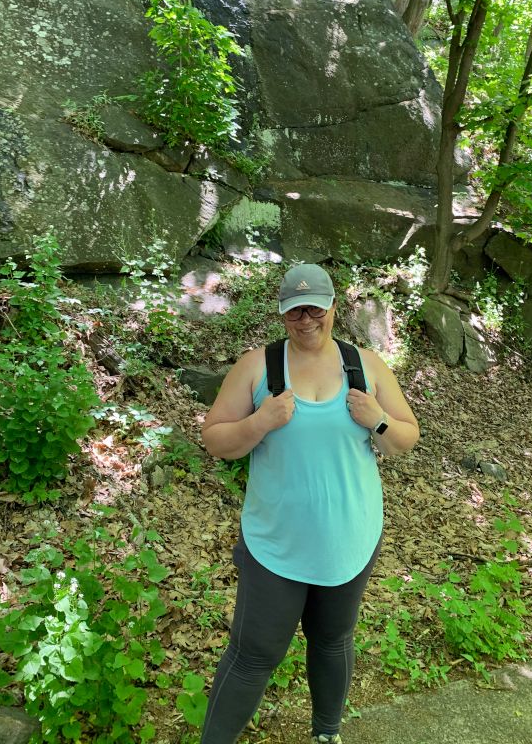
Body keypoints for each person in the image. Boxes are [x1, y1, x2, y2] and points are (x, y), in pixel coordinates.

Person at [200, 263, 419, 744]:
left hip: (350, 541)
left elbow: (405, 437)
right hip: (274, 545)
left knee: (332, 639)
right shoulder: (259, 366)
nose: (305, 320)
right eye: (294, 311)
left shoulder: (365, 365)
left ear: (333, 309)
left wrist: (378, 419)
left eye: (315, 309)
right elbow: (215, 439)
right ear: (282, 315)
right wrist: (260, 422)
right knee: (253, 653)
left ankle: (326, 734)